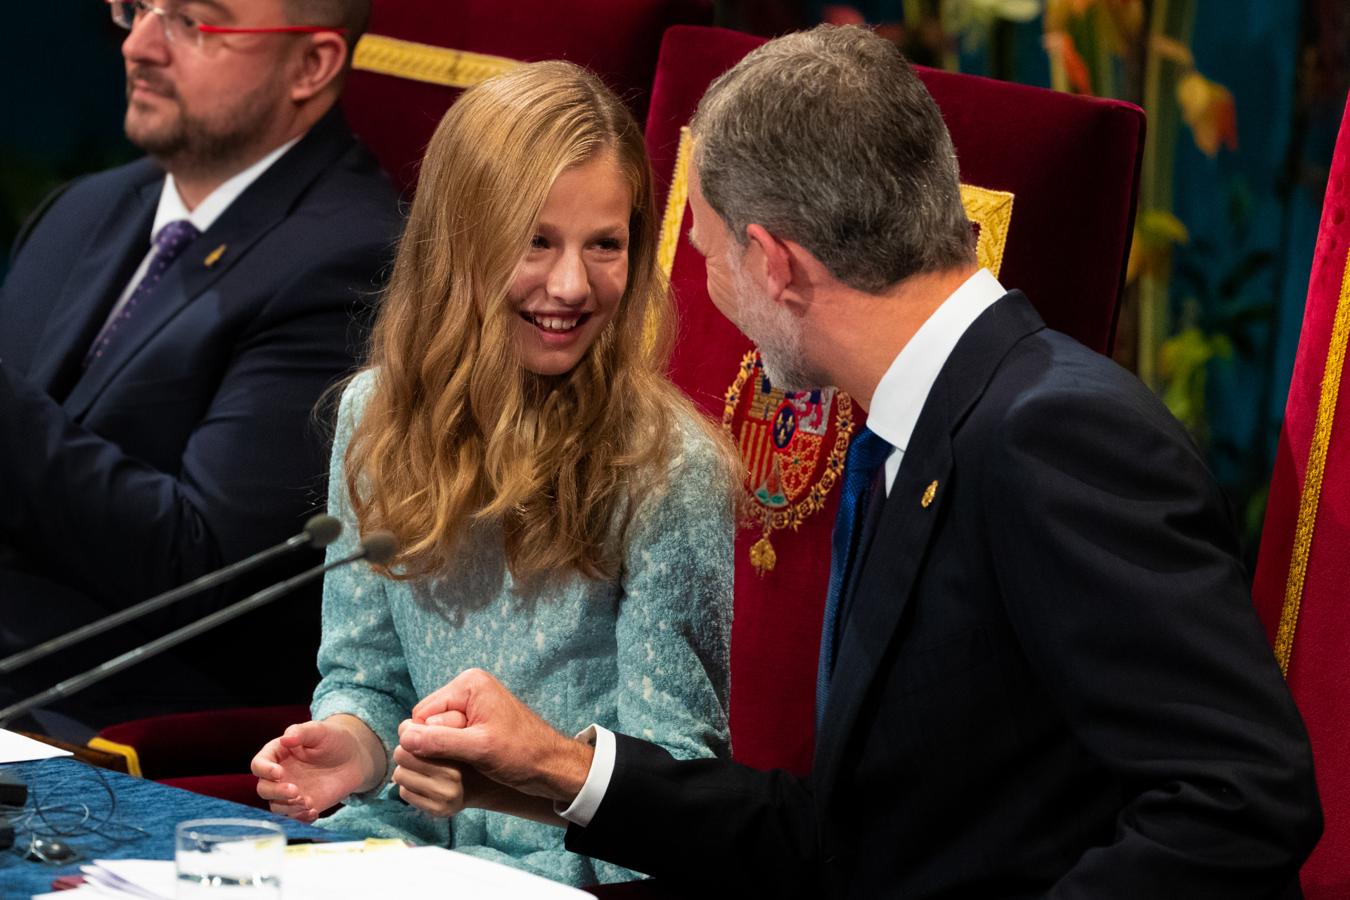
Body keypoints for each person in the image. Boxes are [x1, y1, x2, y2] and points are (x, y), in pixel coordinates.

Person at [390, 25, 1324, 899]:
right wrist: (558, 771)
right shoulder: (920, 428)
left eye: (709, 256)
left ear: (775, 263)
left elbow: (1239, 801)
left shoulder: (1057, 435)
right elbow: (854, 840)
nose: (710, 296)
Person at [249, 61, 737, 887]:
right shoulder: (374, 417)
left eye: (605, 245)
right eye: (535, 241)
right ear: (459, 242)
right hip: (392, 857)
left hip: (565, 878)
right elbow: (367, 677)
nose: (572, 285)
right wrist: (352, 748)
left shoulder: (667, 468)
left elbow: (671, 786)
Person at [0, 0, 400, 723]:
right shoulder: (82, 209)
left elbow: (208, 571)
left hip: (113, 733)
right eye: (137, 7)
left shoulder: (354, 259)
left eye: (194, 21)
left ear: (311, 65)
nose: (140, 46)